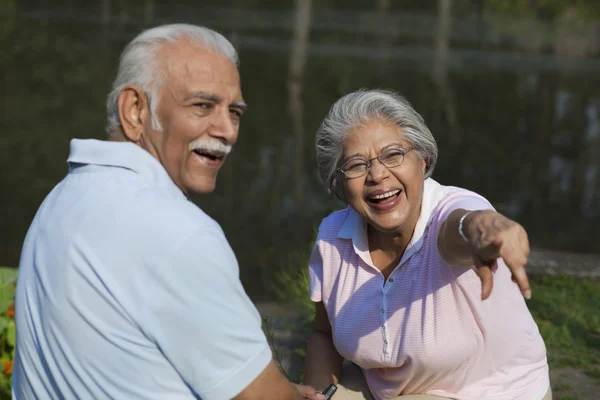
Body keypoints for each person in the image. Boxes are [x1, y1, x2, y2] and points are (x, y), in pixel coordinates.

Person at [12, 23, 323, 400]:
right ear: (135, 110)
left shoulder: (63, 199)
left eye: (235, 112)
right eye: (202, 106)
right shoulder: (177, 231)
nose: (227, 130)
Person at [303, 89, 551, 400]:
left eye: (393, 155)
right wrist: (317, 394)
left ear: (422, 160)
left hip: (487, 392)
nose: (377, 174)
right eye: (356, 165)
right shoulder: (333, 238)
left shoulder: (450, 211)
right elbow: (323, 334)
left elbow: (460, 228)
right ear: (339, 183)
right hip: (389, 388)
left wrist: (482, 229)